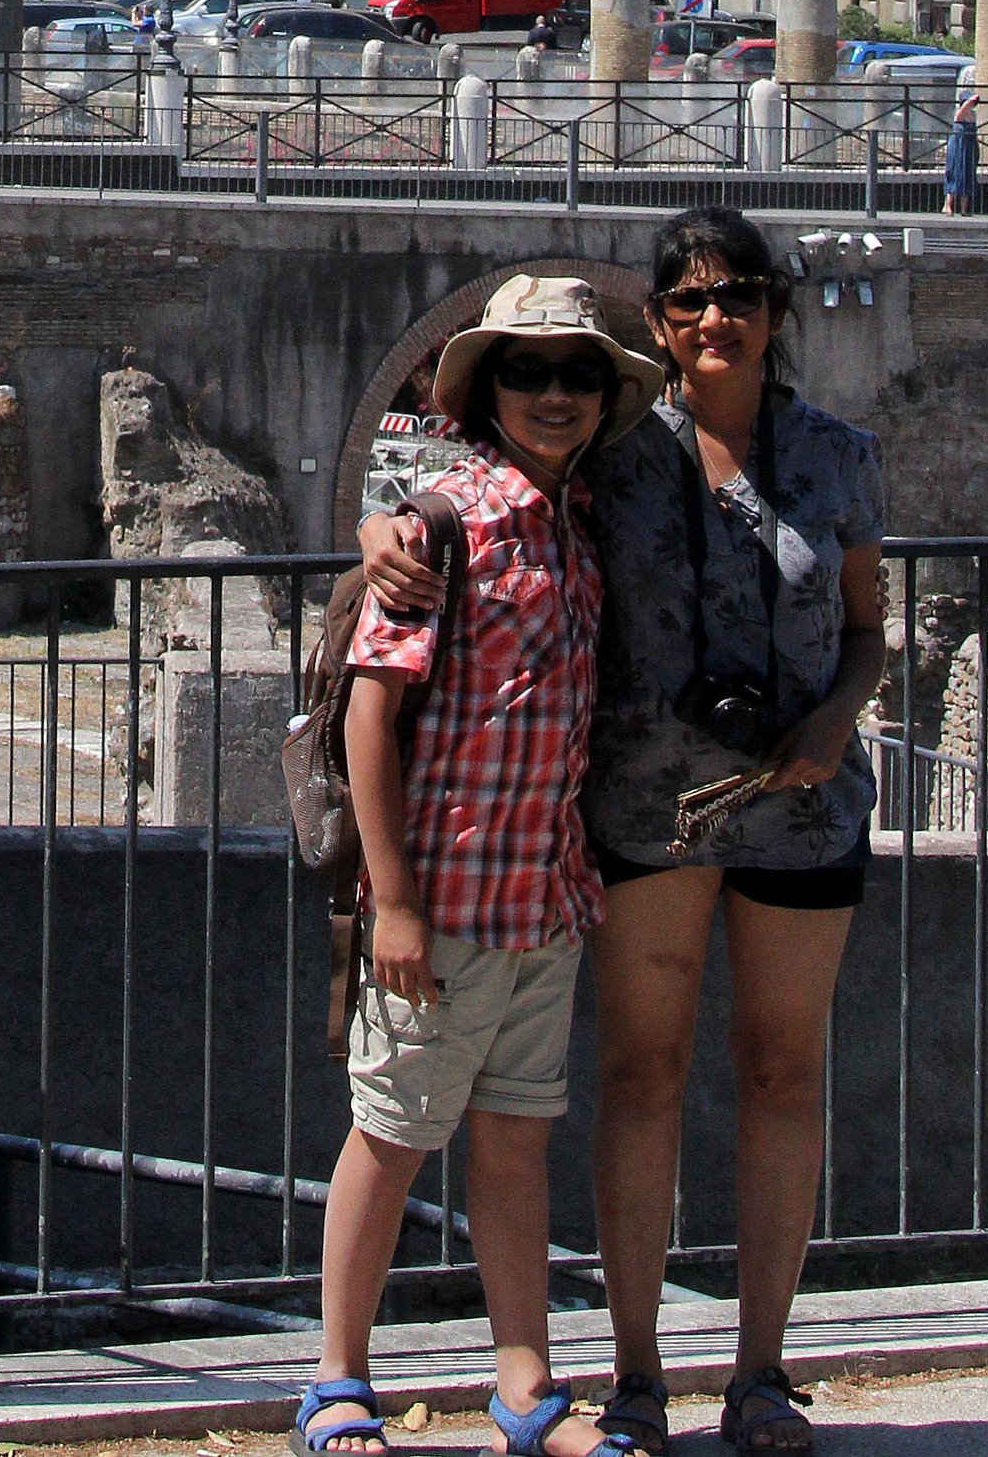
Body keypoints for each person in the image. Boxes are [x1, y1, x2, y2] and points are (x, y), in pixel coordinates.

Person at [364, 211, 886, 1457]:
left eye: (741, 294)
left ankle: (762, 1369)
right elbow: (448, 481)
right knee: (639, 1079)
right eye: (693, 297)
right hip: (647, 805)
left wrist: (836, 715)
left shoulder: (836, 453)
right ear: (659, 320)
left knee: (782, 1077)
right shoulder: (611, 447)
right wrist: (380, 534)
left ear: (773, 311)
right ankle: (637, 1372)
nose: (720, 316)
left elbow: (869, 626)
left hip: (802, 811)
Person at [296, 274, 662, 1457]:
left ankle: (524, 1391)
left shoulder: (577, 521)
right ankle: (337, 1379)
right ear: (485, 389)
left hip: (542, 898)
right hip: (441, 902)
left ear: (604, 397)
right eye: (526, 371)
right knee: (390, 1138)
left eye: (577, 374)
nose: (552, 393)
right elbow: (368, 714)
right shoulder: (443, 524)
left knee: (513, 1142)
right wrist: (391, 899)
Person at [940, 89, 979, 214]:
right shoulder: (959, 112)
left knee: (968, 174)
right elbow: (963, 109)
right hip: (958, 145)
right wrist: (971, 99)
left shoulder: (973, 114)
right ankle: (947, 205)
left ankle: (964, 208)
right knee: (955, 172)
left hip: (969, 145)